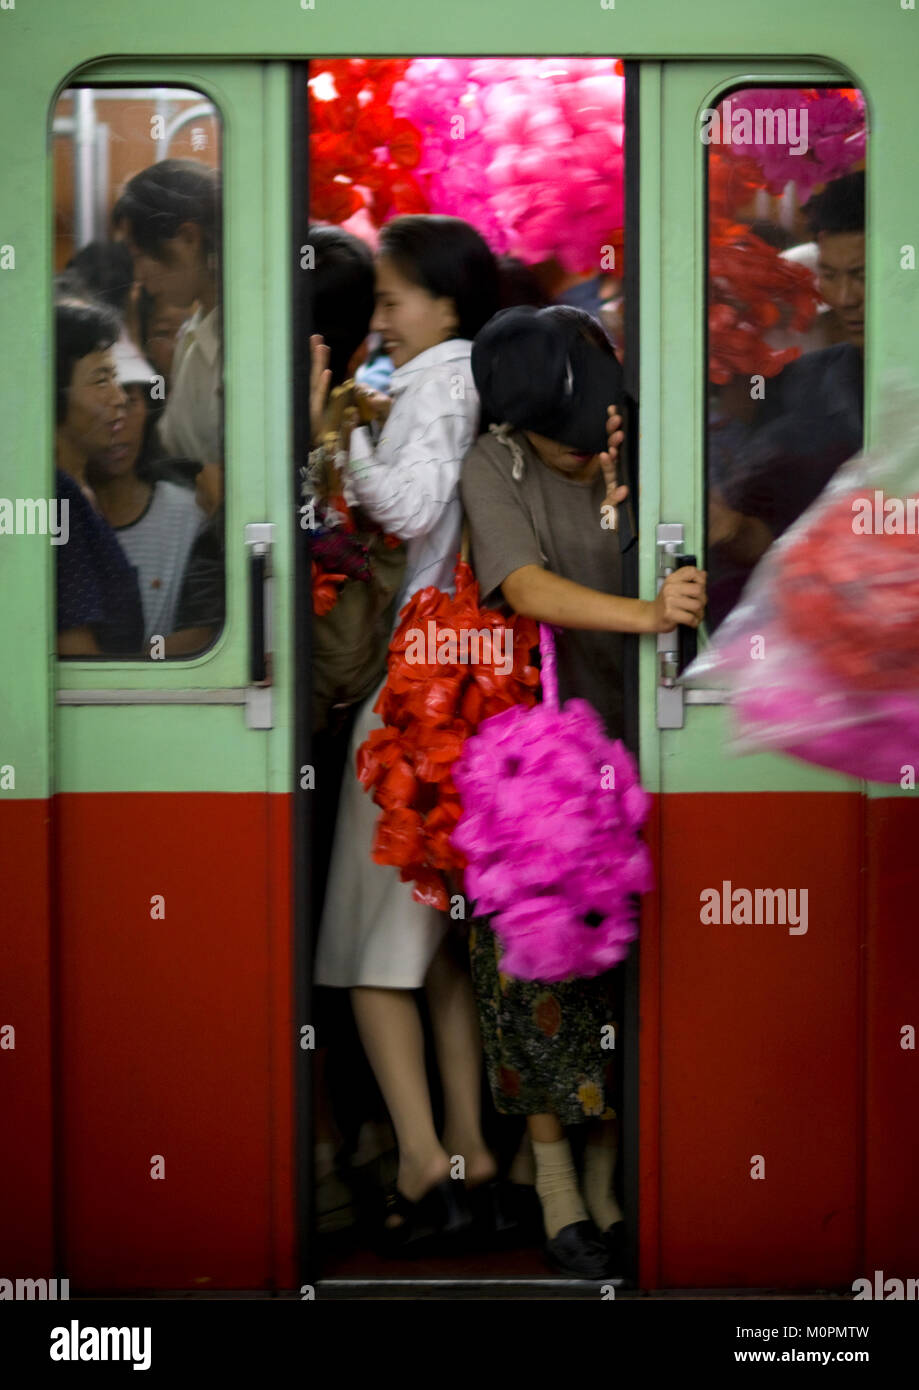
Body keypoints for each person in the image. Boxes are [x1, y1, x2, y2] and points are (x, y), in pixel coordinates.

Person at [461, 304, 707, 1276]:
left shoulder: (653, 436)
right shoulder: (497, 462)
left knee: (622, 977)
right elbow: (523, 585)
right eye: (552, 448)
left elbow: (717, 530)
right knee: (535, 983)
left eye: (583, 442)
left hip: (657, 754)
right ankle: (561, 1201)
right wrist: (648, 613)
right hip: (542, 772)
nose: (575, 457)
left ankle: (607, 1188)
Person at [313, 214, 502, 1250]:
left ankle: (426, 1164)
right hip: (468, 685)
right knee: (435, 948)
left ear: (446, 302)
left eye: (392, 300)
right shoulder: (474, 377)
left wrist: (338, 425)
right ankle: (472, 1146)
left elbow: (405, 503)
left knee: (366, 945)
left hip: (411, 695)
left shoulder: (437, 377)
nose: (379, 320)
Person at [707, 172, 865, 627]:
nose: (845, 297)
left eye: (861, 275)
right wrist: (731, 528)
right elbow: (769, 538)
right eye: (831, 276)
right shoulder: (801, 386)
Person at [86, 339, 207, 650]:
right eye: (103, 402)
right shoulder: (61, 517)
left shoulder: (186, 516)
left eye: (131, 401)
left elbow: (204, 633)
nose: (118, 420)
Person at [113, 159, 222, 483]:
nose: (139, 276)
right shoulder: (195, 332)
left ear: (188, 238)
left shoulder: (241, 340)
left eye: (139, 256)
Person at [54, 297, 144, 657]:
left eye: (116, 379)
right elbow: (75, 651)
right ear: (54, 393)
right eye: (101, 380)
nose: (120, 398)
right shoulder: (58, 497)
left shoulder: (80, 489)